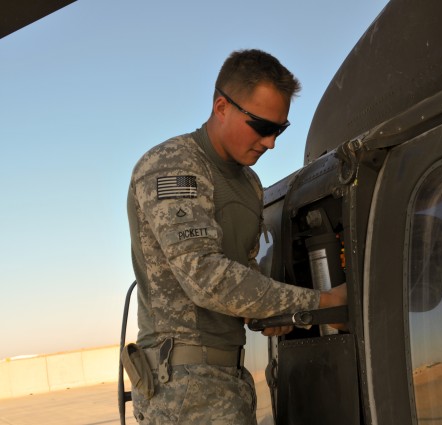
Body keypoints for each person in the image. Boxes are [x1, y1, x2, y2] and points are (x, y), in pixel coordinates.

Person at [126, 49, 347, 424]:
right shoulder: (174, 166)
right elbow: (205, 276)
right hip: (184, 387)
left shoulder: (249, 185)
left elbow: (244, 270)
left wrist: (273, 311)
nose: (271, 142)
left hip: (226, 379)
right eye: (262, 126)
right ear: (221, 106)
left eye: (279, 130)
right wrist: (323, 302)